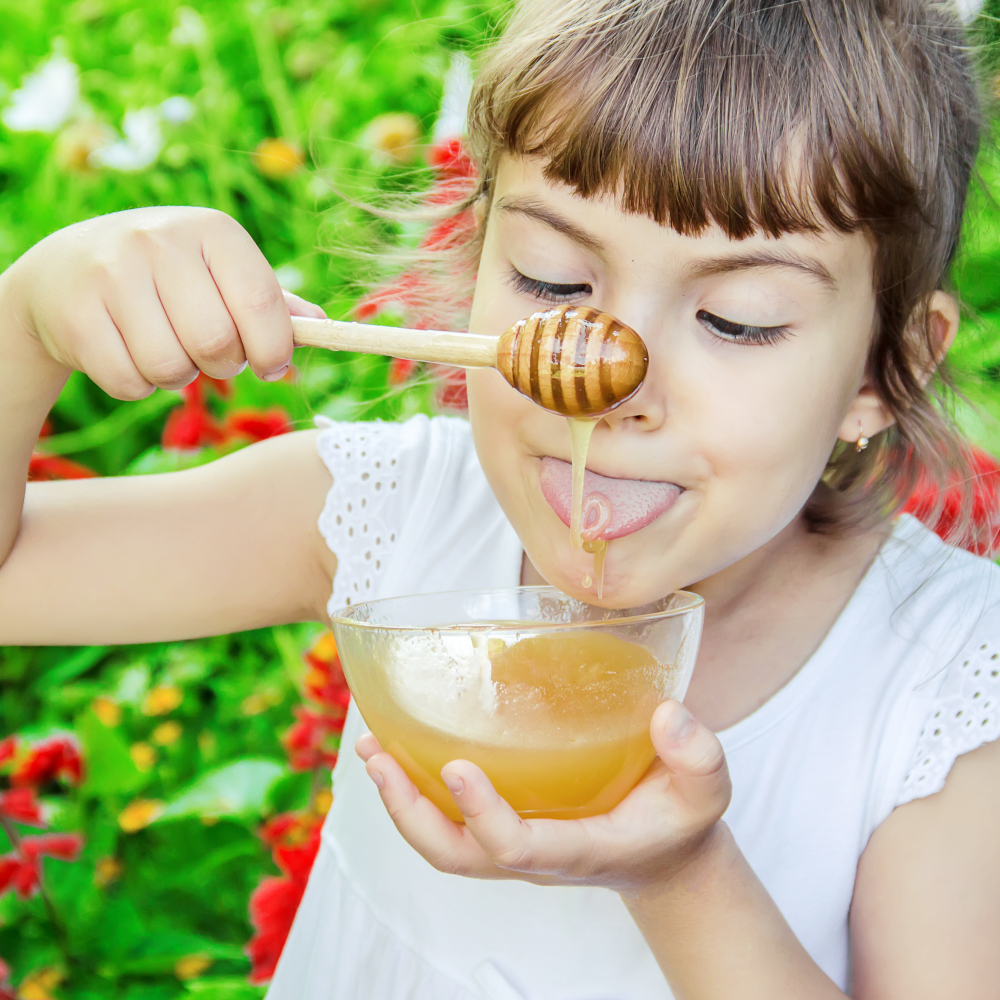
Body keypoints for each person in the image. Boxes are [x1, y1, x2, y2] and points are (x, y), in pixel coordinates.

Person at [2, 0, 999, 995]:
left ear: (882, 368)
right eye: (552, 279)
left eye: (737, 320)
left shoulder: (940, 693)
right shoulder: (400, 515)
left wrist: (679, 876)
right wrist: (28, 321)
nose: (615, 385)